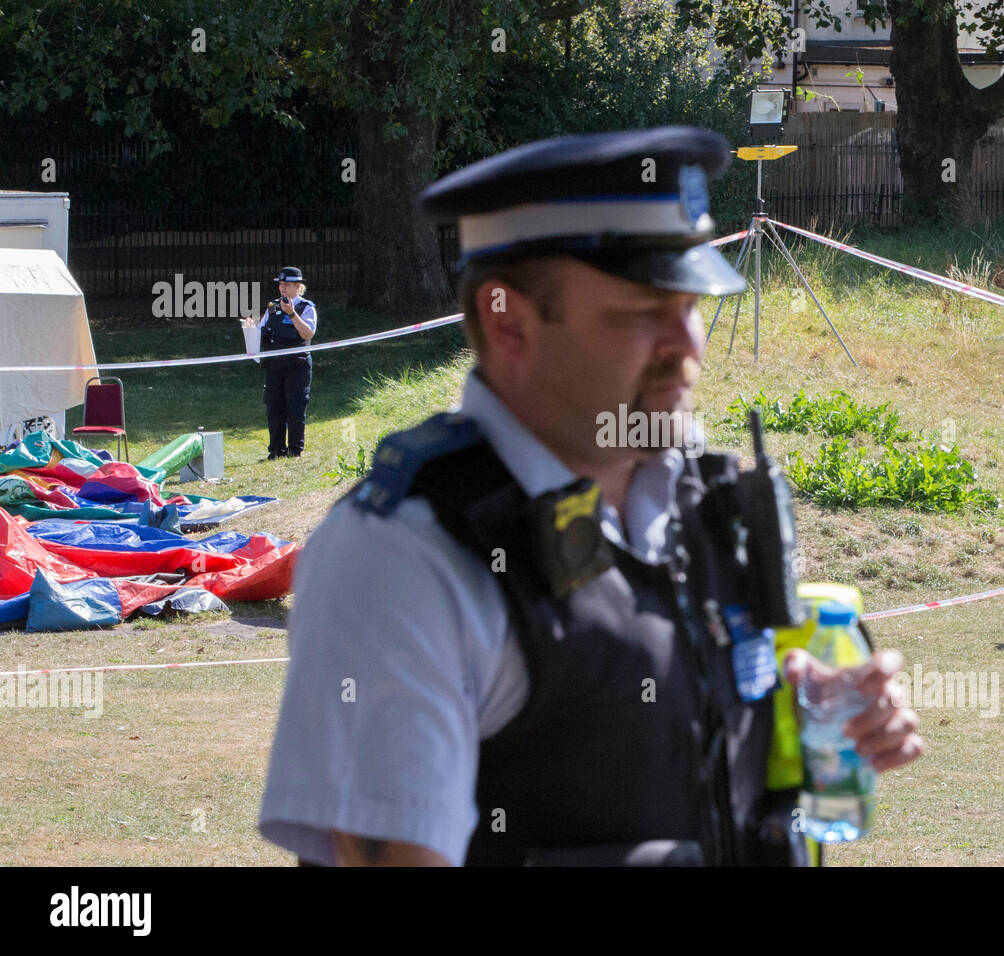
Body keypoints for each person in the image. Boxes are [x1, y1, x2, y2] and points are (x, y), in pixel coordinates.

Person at [258, 126, 924, 867]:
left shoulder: (704, 500)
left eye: (693, 304)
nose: (689, 345)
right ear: (508, 321)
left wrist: (798, 716)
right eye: (642, 310)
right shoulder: (405, 556)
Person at [242, 267, 317, 459]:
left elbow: (308, 333)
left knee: (296, 408)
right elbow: (262, 332)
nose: (282, 289)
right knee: (274, 408)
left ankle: (294, 451)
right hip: (275, 365)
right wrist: (251, 328)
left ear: (298, 287)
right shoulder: (272, 307)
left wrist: (292, 314)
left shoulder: (306, 307)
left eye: (287, 285)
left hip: (297, 366)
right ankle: (275, 451)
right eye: (281, 285)